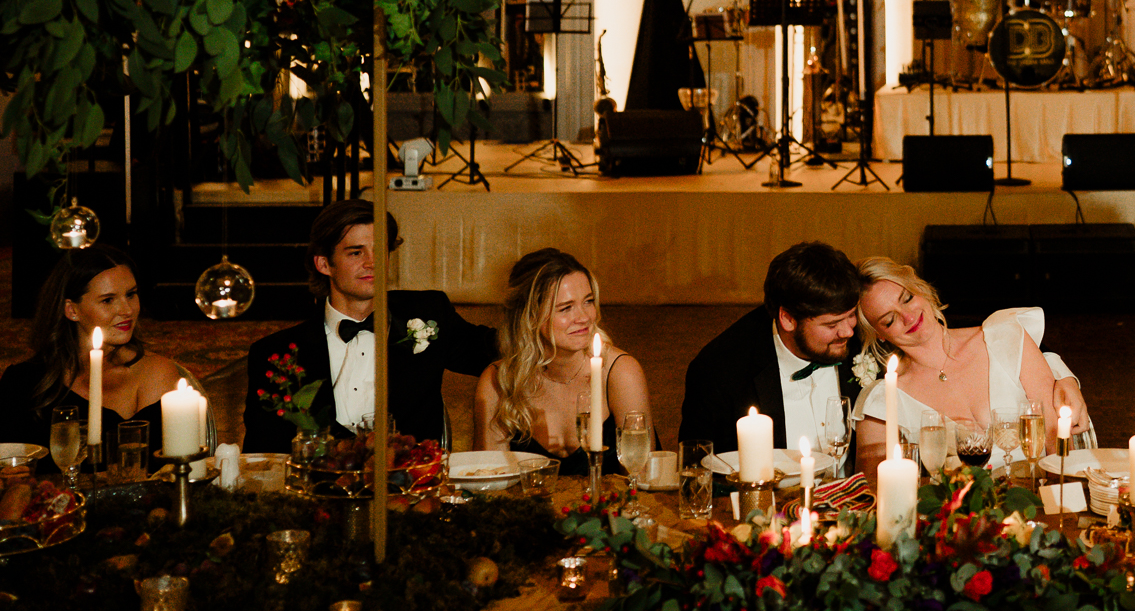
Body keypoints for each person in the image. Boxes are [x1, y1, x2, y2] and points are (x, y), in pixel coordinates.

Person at [242, 197, 496, 453]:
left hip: (411, 485)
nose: (372, 262)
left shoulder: (429, 314)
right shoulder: (277, 354)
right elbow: (262, 452)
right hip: (319, 488)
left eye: (379, 249)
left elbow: (500, 351)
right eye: (356, 252)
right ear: (324, 264)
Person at [851, 256, 1088, 478]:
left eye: (907, 298)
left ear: (920, 290)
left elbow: (1055, 442)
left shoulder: (1003, 336)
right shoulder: (882, 400)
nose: (908, 316)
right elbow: (874, 488)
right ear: (878, 334)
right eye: (889, 320)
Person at [0, 245, 207, 454]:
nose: (127, 310)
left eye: (131, 294)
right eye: (108, 300)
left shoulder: (154, 373)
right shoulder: (24, 382)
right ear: (72, 310)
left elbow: (159, 467)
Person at [679, 242, 867, 468]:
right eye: (832, 324)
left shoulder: (862, 343)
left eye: (851, 315)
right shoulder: (719, 371)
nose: (848, 331)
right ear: (787, 319)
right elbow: (698, 469)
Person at [473, 248, 652, 475]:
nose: (584, 317)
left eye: (588, 301)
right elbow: (488, 486)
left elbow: (642, 480)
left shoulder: (620, 373)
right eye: (566, 308)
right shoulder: (498, 382)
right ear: (530, 316)